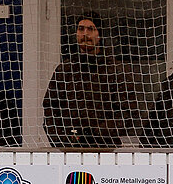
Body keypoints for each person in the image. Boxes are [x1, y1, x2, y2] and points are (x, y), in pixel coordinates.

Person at [45, 15, 125, 150]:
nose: (85, 34)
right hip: (69, 147)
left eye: (91, 29)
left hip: (105, 148)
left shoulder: (114, 69)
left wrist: (98, 133)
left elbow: (128, 111)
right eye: (81, 29)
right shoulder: (65, 69)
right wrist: (62, 138)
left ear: (100, 35)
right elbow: (50, 108)